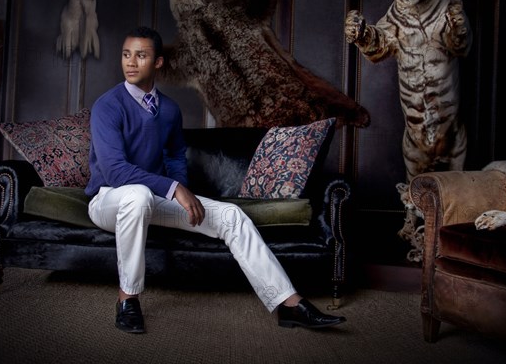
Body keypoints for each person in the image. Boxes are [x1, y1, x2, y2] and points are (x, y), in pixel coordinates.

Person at [85, 26, 347, 334]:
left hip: (150, 198)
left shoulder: (168, 109)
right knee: (137, 195)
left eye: (141, 56)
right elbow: (115, 171)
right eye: (127, 55)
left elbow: (174, 157)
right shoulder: (107, 105)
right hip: (109, 200)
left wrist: (181, 190)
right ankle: (127, 300)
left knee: (232, 216)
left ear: (157, 62)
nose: (130, 62)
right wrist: (175, 189)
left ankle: (289, 305)